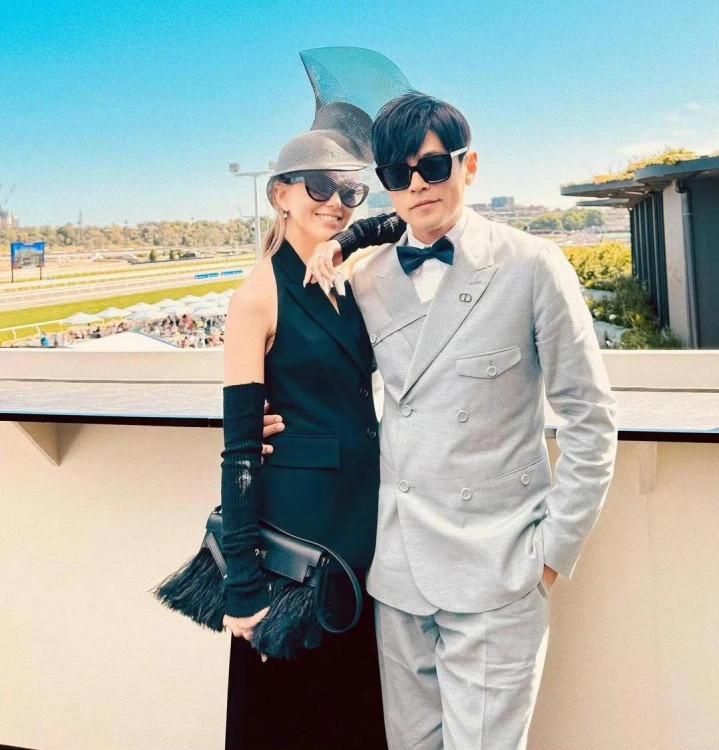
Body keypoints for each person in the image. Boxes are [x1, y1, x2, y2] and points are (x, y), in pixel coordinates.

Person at [301, 92, 619, 749]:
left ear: (468, 167)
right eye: (398, 173)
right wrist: (269, 417)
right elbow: (334, 390)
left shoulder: (531, 266)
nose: (417, 184)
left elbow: (589, 417)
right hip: (398, 573)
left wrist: (551, 555)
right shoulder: (368, 280)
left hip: (498, 569)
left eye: (433, 166)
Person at [220, 100, 387, 750]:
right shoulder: (258, 293)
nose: (337, 202)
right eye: (319, 186)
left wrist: (350, 239)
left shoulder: (344, 278)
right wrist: (242, 585)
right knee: (292, 719)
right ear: (280, 195)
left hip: (361, 532)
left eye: (351, 190)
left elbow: (413, 219)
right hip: (296, 545)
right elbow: (240, 451)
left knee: (352, 715)